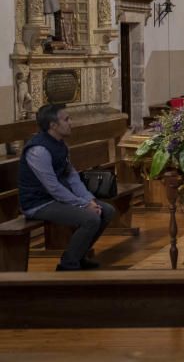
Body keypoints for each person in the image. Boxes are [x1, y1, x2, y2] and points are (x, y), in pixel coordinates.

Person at [17, 104, 115, 270]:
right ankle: (68, 264)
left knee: (106, 210)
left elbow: (72, 176)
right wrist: (84, 204)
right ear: (53, 125)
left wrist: (89, 199)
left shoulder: (60, 144)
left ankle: (78, 255)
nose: (71, 122)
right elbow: (53, 187)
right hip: (38, 203)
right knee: (90, 218)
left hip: (56, 199)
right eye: (66, 119)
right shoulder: (38, 150)